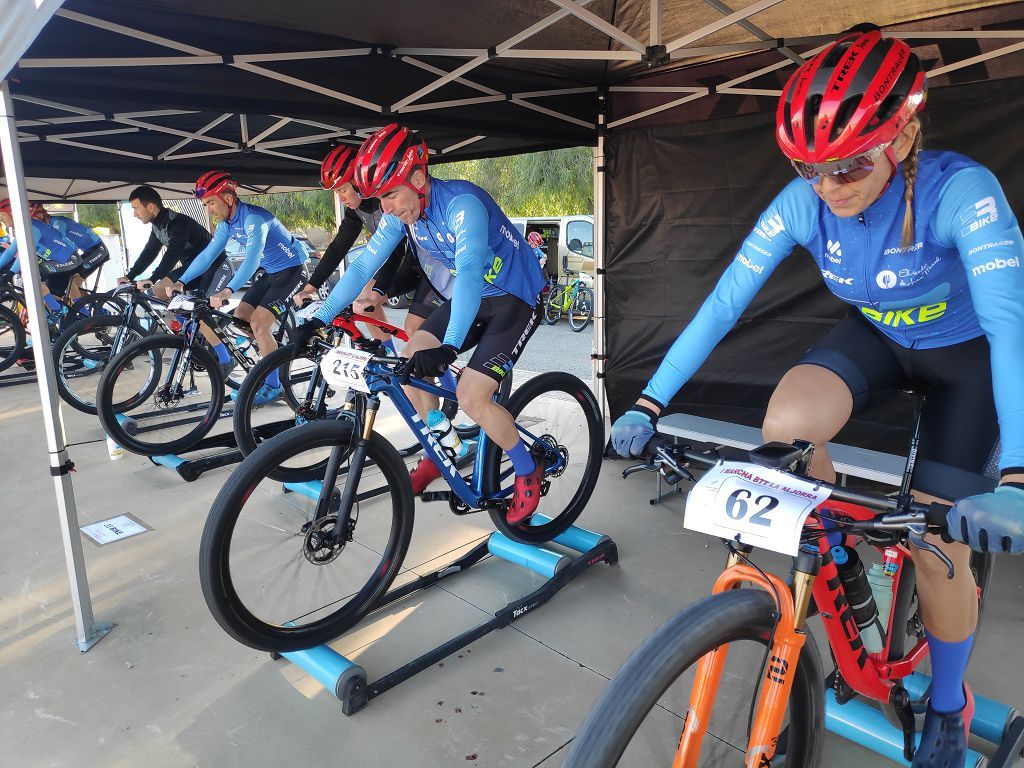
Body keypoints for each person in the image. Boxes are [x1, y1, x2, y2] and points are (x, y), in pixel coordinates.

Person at [609, 26, 1024, 768]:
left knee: (938, 550)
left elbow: (1008, 327)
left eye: (848, 166)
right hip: (879, 340)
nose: (827, 187)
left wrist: (1020, 477)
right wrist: (649, 401)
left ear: (902, 138)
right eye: (808, 167)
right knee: (787, 425)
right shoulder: (804, 203)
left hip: (969, 362)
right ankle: (828, 557)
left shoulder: (963, 193)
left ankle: (950, 701)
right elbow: (724, 303)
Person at [295, 124, 547, 522]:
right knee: (409, 356)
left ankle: (527, 467)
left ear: (417, 177)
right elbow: (363, 265)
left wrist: (450, 345)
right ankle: (441, 447)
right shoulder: (405, 213)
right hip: (475, 295)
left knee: (471, 396)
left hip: (515, 296)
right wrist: (320, 317)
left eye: (391, 194)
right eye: (381, 198)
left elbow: (466, 273)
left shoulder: (463, 204)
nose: (388, 208)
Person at [170, 171, 308, 404]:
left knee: (259, 323)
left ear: (229, 199)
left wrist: (228, 291)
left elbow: (252, 260)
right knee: (241, 317)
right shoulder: (226, 224)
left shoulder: (254, 219)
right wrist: (181, 281)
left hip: (293, 272)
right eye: (206, 204)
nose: (209, 209)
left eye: (211, 202)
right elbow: (207, 256)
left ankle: (273, 385)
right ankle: (274, 354)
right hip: (272, 274)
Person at [292, 145, 440, 344]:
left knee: (414, 330)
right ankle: (387, 355)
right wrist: (310, 288)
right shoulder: (357, 209)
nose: (340, 197)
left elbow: (396, 253)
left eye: (343, 189)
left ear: (357, 181)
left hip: (425, 265)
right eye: (336, 192)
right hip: (407, 265)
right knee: (363, 301)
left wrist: (377, 292)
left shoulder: (389, 203)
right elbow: (338, 248)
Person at [120, 186, 228, 300]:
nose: (134, 214)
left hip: (215, 266)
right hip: (192, 267)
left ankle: (201, 318)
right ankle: (185, 318)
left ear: (151, 207)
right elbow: (149, 252)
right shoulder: (157, 227)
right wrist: (129, 276)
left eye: (136, 208)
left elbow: (173, 254)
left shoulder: (178, 223)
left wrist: (153, 279)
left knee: (202, 309)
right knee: (160, 289)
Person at [0, 198, 80, 316]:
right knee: (47, 295)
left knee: (31, 275)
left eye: (2, 215)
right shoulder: (23, 227)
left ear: (12, 213)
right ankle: (71, 319)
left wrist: (11, 273)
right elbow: (11, 251)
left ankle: (57, 311)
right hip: (58, 261)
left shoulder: (31, 228)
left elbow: (25, 253)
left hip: (69, 259)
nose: (1, 219)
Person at [29, 203, 109, 300]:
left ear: (41, 216)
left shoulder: (57, 223)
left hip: (98, 250)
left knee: (72, 282)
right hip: (89, 250)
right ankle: (88, 307)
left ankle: (83, 310)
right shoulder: (50, 226)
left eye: (34, 220)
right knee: (70, 282)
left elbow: (63, 244)